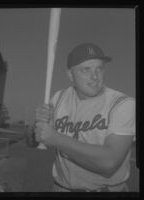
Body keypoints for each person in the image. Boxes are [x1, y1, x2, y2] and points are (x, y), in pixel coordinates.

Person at [30, 43, 135, 192]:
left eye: (99, 68)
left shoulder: (122, 104)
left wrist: (56, 138)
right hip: (61, 188)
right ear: (70, 74)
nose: (95, 76)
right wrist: (37, 127)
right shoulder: (58, 98)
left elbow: (109, 163)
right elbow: (32, 140)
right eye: (86, 69)